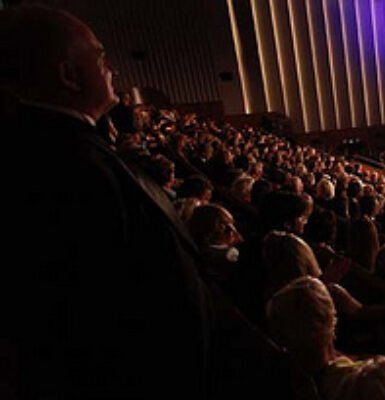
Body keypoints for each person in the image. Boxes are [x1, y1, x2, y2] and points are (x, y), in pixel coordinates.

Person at [4, 6, 282, 398]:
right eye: (100, 57)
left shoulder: (66, 146)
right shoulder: (65, 165)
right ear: (68, 74)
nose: (111, 68)